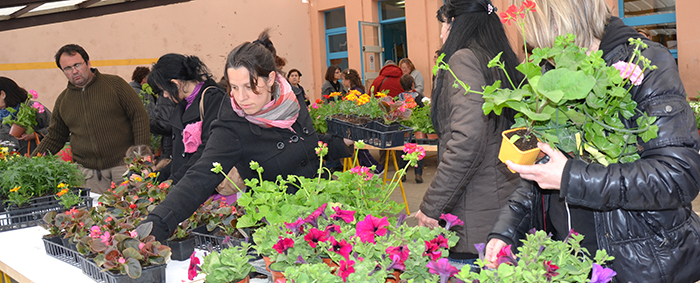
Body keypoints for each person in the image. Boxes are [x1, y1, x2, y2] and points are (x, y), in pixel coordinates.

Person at [484, 0, 700, 282]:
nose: (539, 50)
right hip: (572, 262)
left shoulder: (643, 62)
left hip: (641, 265)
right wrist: (506, 232)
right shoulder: (554, 72)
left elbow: (678, 175)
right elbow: (541, 172)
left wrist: (571, 177)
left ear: (561, 19)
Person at [145, 30, 325, 241]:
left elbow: (309, 143)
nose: (241, 98)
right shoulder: (231, 123)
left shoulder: (292, 99)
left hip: (317, 212)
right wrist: (155, 224)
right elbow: (200, 175)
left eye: (250, 86)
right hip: (280, 232)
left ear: (271, 80)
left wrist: (340, 143)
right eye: (235, 88)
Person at [414, 0, 520, 271]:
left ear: (457, 24)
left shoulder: (463, 60)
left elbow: (467, 141)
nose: (441, 34)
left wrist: (431, 206)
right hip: (504, 208)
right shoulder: (503, 61)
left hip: (474, 217)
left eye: (444, 24)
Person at [33, 44, 150, 194]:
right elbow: (55, 137)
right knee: (97, 216)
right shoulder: (63, 100)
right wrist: (32, 161)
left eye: (77, 65)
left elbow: (139, 117)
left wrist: (140, 158)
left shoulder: (115, 85)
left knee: (135, 212)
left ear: (88, 63)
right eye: (67, 68)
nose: (74, 71)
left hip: (125, 168)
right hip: (90, 176)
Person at [146, 53, 227, 184]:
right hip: (186, 183)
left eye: (164, 91)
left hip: (203, 186)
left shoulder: (212, 99)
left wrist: (173, 181)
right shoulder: (183, 104)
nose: (165, 96)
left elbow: (206, 151)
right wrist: (155, 179)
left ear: (175, 83)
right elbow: (179, 159)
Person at [341, 68, 383, 174]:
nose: (342, 81)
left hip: (359, 123)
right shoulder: (354, 91)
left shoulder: (356, 92)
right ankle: (366, 172)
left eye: (343, 79)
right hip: (357, 123)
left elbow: (358, 108)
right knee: (360, 151)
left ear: (348, 81)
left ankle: (377, 168)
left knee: (361, 150)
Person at [0, 77, 51, 155]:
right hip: (9, 164)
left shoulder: (32, 108)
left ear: (3, 94)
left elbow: (57, 128)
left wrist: (37, 134)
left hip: (36, 160)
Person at [397, 74, 425, 183]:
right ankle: (418, 174)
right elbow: (424, 110)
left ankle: (402, 174)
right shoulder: (418, 96)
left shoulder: (399, 97)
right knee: (418, 149)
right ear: (413, 84)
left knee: (404, 151)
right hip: (416, 127)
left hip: (404, 128)